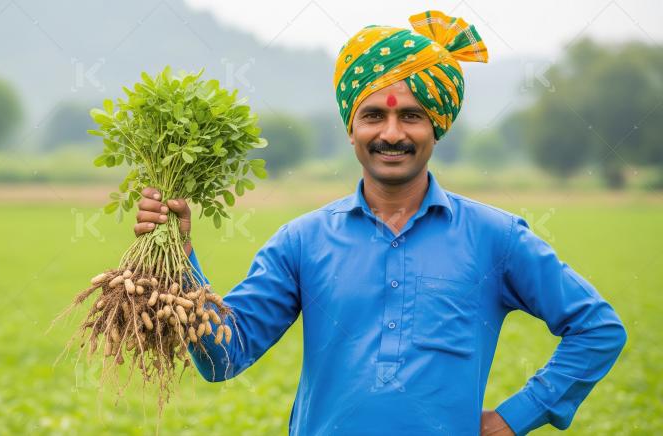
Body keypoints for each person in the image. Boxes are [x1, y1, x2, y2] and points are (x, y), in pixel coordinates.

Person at [133, 10, 627, 435]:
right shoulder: (303, 241)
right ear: (351, 129)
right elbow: (225, 355)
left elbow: (597, 328)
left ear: (438, 127)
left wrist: (516, 416)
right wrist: (179, 260)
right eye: (373, 116)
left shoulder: (495, 238)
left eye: (411, 116)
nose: (392, 134)